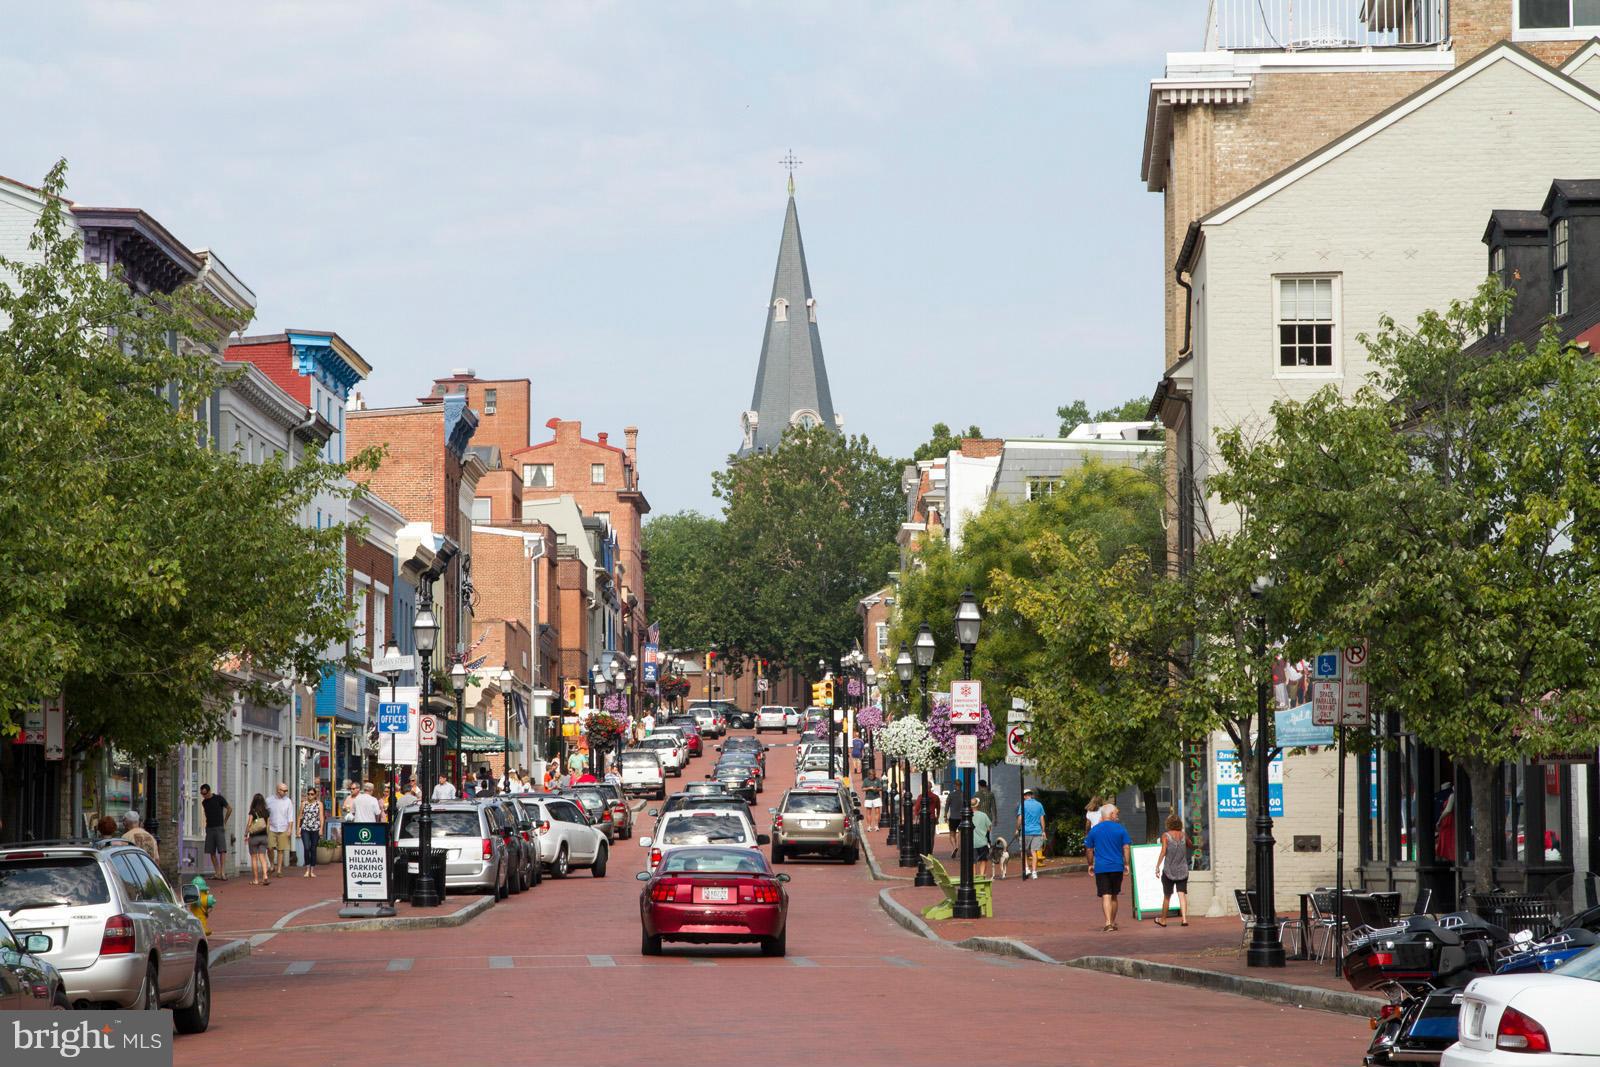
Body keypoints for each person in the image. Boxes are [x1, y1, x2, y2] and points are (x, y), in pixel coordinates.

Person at [1084, 804, 1133, 931]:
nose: (1117, 816)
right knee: (1114, 895)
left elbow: (1089, 849)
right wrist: (1126, 863)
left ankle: (1108, 922)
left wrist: (1090, 864)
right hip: (1117, 866)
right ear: (1111, 814)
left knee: (1106, 894)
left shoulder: (1094, 830)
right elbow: (1126, 847)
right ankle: (1113, 921)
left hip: (1101, 867)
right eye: (1116, 814)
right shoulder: (1120, 829)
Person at [1153, 812, 1189, 927]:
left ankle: (1163, 920)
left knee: (1167, 896)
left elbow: (1163, 851)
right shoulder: (1184, 835)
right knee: (1182, 894)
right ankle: (1184, 919)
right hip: (1183, 870)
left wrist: (1157, 865)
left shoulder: (1165, 836)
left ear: (1168, 823)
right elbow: (1190, 844)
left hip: (1169, 870)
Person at [199, 784, 232, 881]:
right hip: (209, 828)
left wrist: (224, 822)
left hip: (219, 827)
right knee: (211, 851)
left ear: (209, 791)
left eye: (204, 793)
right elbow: (206, 813)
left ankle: (222, 872)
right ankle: (217, 872)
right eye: (202, 794)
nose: (203, 795)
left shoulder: (218, 798)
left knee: (222, 850)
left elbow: (229, 808)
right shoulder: (204, 802)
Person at [266, 782, 295, 878]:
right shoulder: (269, 800)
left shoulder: (288, 801)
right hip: (271, 827)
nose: (286, 792)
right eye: (284, 790)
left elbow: (290, 816)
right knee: (269, 847)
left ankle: (279, 870)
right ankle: (271, 864)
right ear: (278, 790)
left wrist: (290, 829)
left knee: (280, 849)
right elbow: (265, 814)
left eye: (287, 790)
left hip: (283, 827)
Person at [1016, 787, 1046, 880]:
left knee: (1023, 851)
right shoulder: (1039, 804)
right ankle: (1034, 872)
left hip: (1026, 831)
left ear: (1025, 796)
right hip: (1037, 831)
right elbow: (1042, 819)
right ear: (1031, 795)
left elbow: (1020, 818)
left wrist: (1017, 829)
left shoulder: (1023, 804)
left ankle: (1026, 868)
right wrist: (1043, 831)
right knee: (1034, 852)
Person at [246, 793, 271, 885]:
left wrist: (246, 834)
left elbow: (249, 824)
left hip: (254, 837)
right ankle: (265, 875)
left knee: (254, 858)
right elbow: (268, 825)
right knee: (263, 857)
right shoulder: (266, 812)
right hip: (264, 837)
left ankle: (256, 880)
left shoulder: (252, 811)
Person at [299, 787, 323, 879]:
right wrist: (298, 828)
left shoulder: (319, 804)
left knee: (313, 849)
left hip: (315, 828)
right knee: (306, 848)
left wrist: (321, 828)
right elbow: (300, 816)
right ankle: (307, 869)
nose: (310, 796)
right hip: (305, 828)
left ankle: (312, 870)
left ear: (315, 795)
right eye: (308, 794)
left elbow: (321, 816)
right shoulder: (303, 804)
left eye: (312, 794)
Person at [971, 798, 994, 879]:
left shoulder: (967, 815)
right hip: (982, 842)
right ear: (978, 805)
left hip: (971, 842)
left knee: (972, 862)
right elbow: (989, 828)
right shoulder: (983, 815)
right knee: (983, 860)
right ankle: (981, 877)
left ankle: (973, 877)